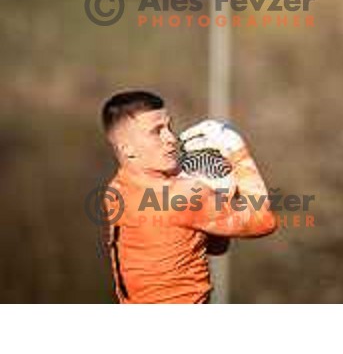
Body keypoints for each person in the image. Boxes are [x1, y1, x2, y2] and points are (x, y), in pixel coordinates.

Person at [100, 90, 276, 303]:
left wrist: (211, 192)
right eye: (156, 132)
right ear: (128, 149)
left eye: (169, 127)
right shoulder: (181, 196)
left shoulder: (118, 188)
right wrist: (237, 152)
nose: (171, 139)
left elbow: (215, 246)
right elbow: (263, 221)